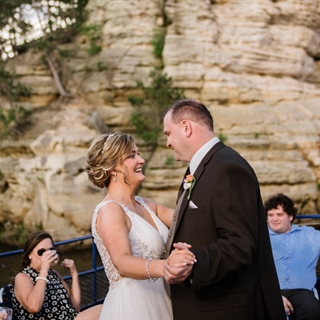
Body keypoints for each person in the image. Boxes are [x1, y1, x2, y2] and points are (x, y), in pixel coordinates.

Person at [162, 98, 286, 320]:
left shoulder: (227, 168)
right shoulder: (203, 167)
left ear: (186, 127)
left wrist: (193, 261)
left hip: (225, 309)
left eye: (168, 133)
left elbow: (241, 244)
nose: (167, 142)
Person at [85, 132, 196, 320]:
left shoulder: (147, 205)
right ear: (113, 168)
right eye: (132, 156)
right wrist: (166, 267)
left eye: (138, 153)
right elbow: (122, 262)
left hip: (162, 299)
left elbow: (190, 218)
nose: (141, 160)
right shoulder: (110, 210)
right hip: (133, 306)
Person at [11, 231, 102, 320]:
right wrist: (44, 270)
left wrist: (74, 274)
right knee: (102, 310)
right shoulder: (22, 277)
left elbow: (75, 307)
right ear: (29, 255)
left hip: (70, 317)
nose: (48, 254)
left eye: (51, 250)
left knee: (104, 308)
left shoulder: (54, 274)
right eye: (42, 251)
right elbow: (34, 307)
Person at [265, 193, 320, 320]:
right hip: (271, 291)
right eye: (270, 215)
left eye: (279, 214)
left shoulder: (309, 235)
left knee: (312, 312)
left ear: (290, 216)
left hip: (302, 291)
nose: (274, 219)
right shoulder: (260, 238)